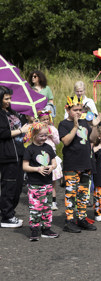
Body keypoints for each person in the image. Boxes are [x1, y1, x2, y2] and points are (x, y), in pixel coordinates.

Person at [59, 95, 100, 233]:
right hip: (72, 164)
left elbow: (92, 140)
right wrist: (75, 127)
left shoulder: (84, 123)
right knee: (71, 193)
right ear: (68, 109)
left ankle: (81, 218)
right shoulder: (64, 124)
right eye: (75, 109)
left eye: (80, 110)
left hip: (85, 163)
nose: (78, 112)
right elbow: (66, 141)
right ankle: (69, 220)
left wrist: (94, 127)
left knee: (83, 194)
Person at [22, 122, 59, 240]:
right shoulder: (30, 149)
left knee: (47, 208)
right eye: (41, 136)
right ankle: (34, 229)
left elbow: (54, 162)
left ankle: (46, 229)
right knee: (35, 208)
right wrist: (37, 169)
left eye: (46, 135)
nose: (44, 138)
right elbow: (25, 166)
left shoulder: (48, 147)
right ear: (33, 135)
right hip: (34, 184)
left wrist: (51, 167)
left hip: (47, 183)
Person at [0, 86, 30, 228]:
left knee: (18, 186)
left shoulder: (11, 112)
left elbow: (20, 129)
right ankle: (6, 216)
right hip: (8, 155)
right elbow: (3, 134)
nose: (9, 101)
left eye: (10, 98)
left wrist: (28, 129)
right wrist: (20, 130)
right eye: (6, 98)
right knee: (9, 185)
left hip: (19, 152)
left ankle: (8, 212)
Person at [37, 110, 63, 211]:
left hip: (51, 156)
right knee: (41, 181)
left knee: (52, 182)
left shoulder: (52, 129)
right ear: (39, 120)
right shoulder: (37, 129)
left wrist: (52, 136)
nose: (46, 121)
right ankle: (41, 201)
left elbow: (57, 141)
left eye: (47, 119)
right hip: (41, 156)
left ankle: (53, 201)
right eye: (43, 120)